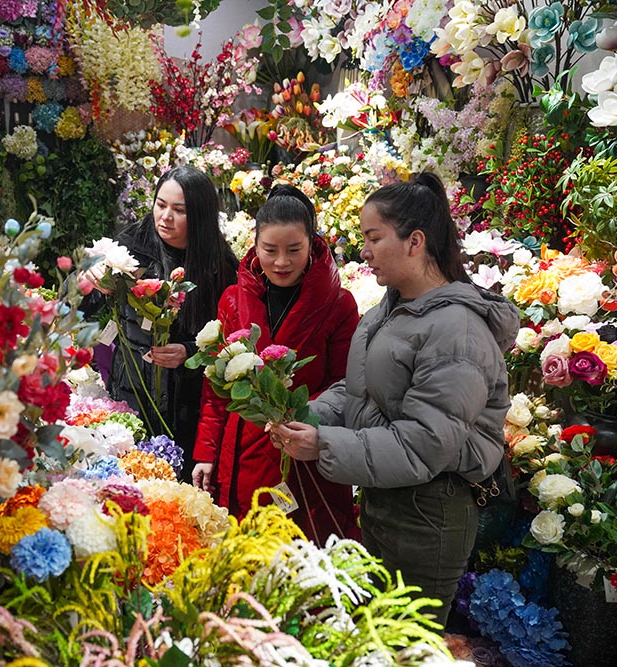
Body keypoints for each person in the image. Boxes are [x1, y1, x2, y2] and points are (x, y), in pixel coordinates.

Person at [270, 172, 519, 626]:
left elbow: (426, 442)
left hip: (429, 514)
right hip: (385, 500)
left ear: (415, 242)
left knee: (406, 642)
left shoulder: (457, 330)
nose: (364, 251)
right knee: (375, 637)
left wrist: (324, 444)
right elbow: (359, 390)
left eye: (374, 238)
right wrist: (305, 414)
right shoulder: (390, 311)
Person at [192, 184, 360, 545]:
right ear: (255, 245)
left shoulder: (339, 304)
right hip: (243, 454)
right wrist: (206, 453)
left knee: (302, 555)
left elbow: (345, 384)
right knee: (245, 552)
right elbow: (216, 389)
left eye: (294, 250)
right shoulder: (233, 299)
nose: (281, 262)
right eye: (270, 250)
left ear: (312, 245)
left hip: (303, 452)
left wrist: (299, 414)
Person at [87, 165, 237, 480]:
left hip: (188, 403)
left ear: (199, 215)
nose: (165, 217)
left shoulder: (218, 265)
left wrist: (190, 351)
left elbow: (232, 339)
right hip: (133, 389)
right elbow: (81, 305)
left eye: (179, 210)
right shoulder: (130, 248)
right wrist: (88, 281)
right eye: (160, 205)